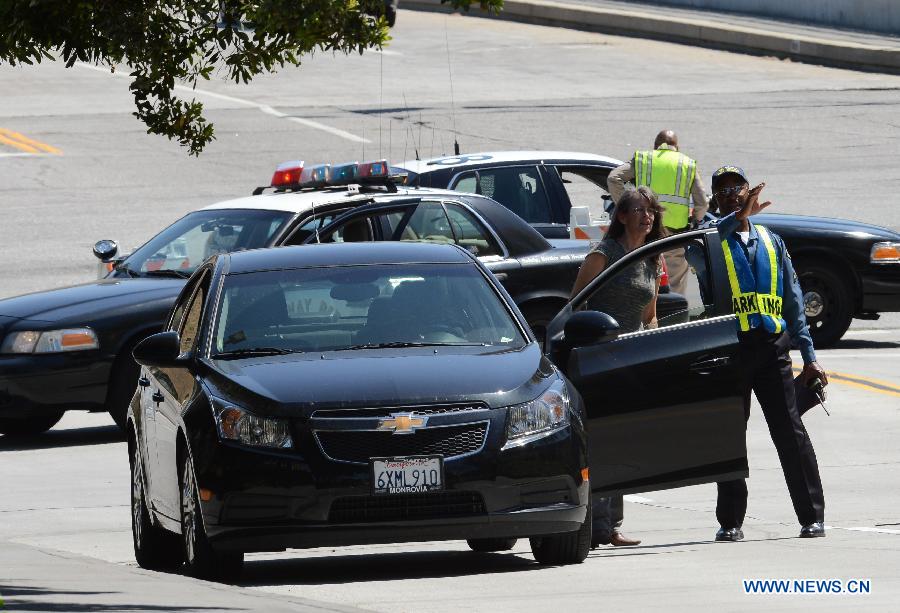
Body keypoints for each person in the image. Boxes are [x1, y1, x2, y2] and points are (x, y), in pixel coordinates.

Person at [709, 165, 828, 542]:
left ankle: (812, 517)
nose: (730, 193)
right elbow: (717, 232)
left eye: (736, 187)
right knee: (729, 435)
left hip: (772, 347)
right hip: (731, 348)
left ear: (748, 191)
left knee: (790, 431)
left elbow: (793, 301)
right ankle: (730, 522)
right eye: (722, 190)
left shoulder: (772, 241)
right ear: (715, 199)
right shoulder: (713, 237)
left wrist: (808, 355)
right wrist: (738, 216)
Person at [570, 186, 668, 547]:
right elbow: (576, 305)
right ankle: (594, 525)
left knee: (623, 440)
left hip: (632, 359)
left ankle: (612, 526)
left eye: (651, 211)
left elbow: (650, 313)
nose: (647, 216)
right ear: (622, 216)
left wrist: (654, 343)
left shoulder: (651, 259)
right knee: (601, 443)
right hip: (599, 358)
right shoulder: (604, 254)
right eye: (639, 210)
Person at [607, 130, 709, 297]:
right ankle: (673, 320)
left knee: (643, 282)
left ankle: (648, 320)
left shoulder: (644, 159)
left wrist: (628, 209)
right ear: (677, 147)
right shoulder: (687, 164)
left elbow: (614, 178)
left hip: (644, 233)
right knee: (674, 288)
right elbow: (702, 203)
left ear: (655, 146)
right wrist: (694, 219)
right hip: (674, 238)